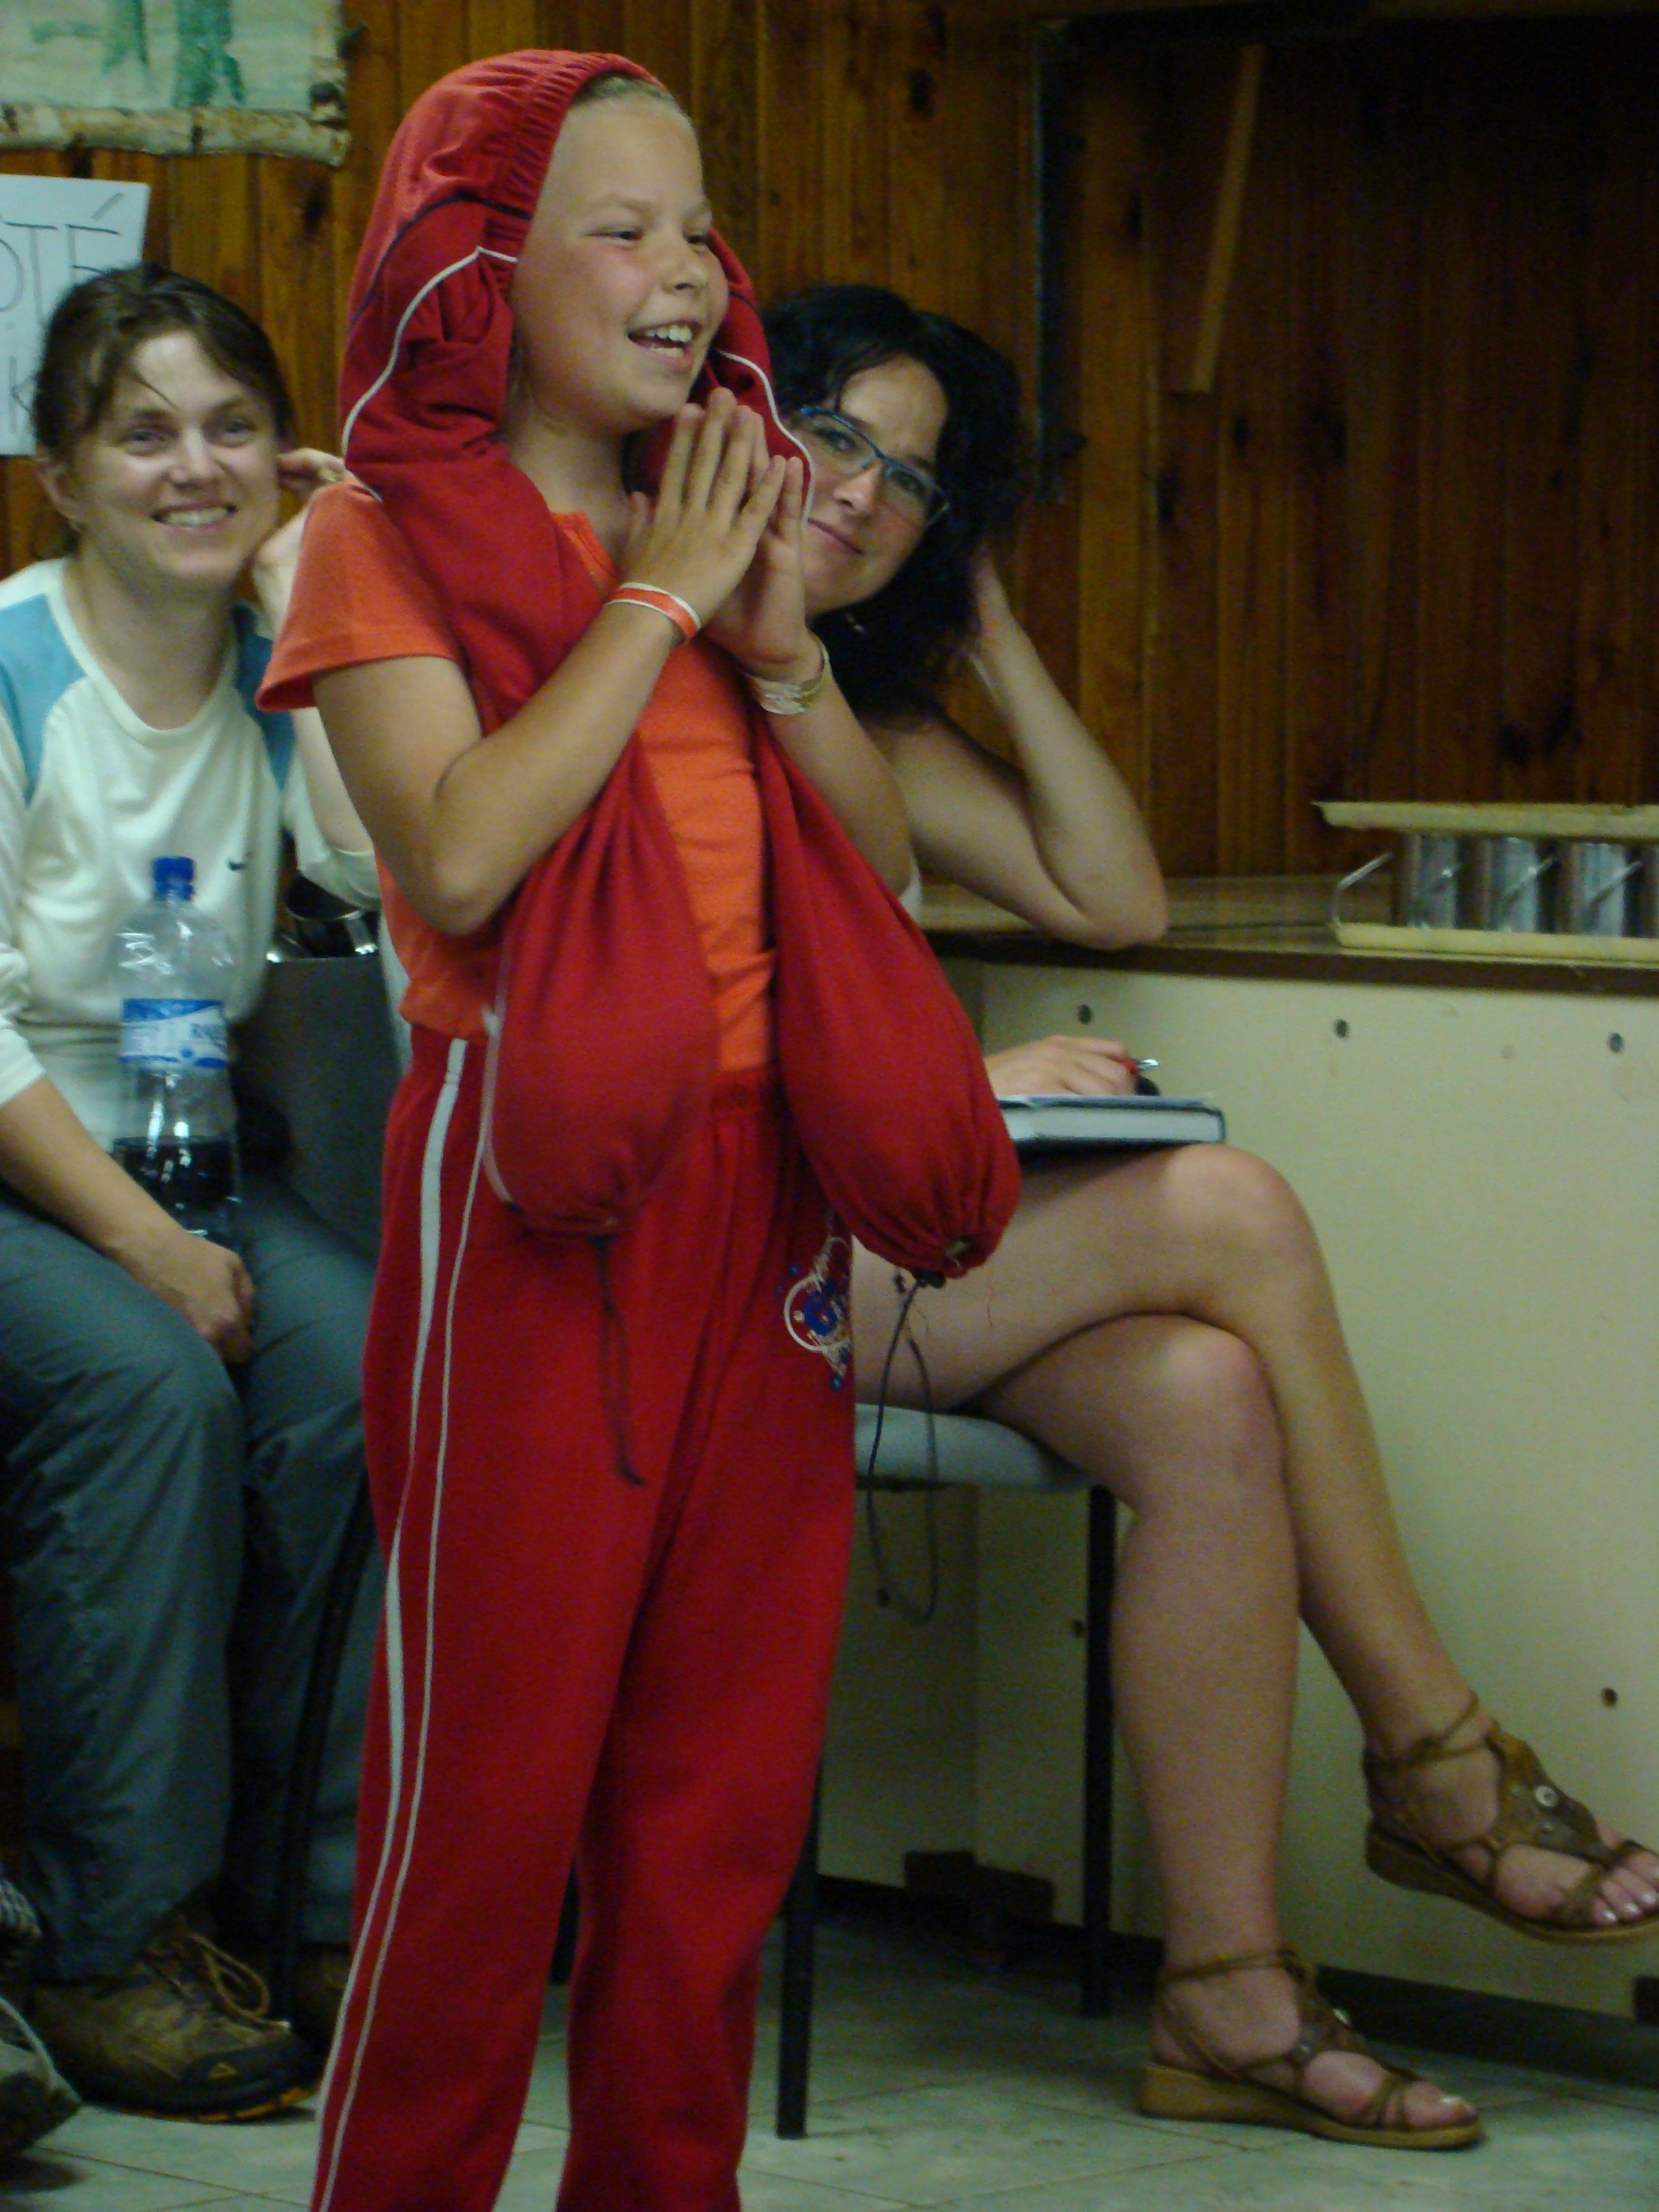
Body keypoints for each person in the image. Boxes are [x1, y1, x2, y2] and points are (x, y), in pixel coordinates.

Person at [766, 281, 1659, 2151]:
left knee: (1207, 1399)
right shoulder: (663, 677)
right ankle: (1437, 1761)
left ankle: (1228, 1999)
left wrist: (989, 623)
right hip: (750, 1265)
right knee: (1231, 1210)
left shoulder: (860, 709)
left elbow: (1116, 894)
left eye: (916, 480)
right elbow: (669, 1032)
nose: (861, 492)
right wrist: (969, 1090)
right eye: (832, 434)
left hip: (894, 1242)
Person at [260, 52, 1008, 2212]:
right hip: (532, 1188)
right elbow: (460, 851)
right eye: (622, 228)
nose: (685, 273)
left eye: (700, 229)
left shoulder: (729, 506)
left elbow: (875, 869)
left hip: (763, 1201)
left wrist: (775, 654)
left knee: (717, 1801)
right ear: (480, 272)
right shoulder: (383, 529)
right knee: (488, 1809)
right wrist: (653, 607)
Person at [0, 264, 382, 2118]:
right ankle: (111, 1943)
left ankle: (309, 1911)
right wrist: (145, 1242)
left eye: (234, 427)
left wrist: (317, 623)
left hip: (190, 1149)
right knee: (146, 1389)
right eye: (141, 433)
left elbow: (375, 891)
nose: (195, 467)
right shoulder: (14, 668)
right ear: (63, 477)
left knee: (362, 1374)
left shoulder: (275, 674)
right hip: (36, 1169)